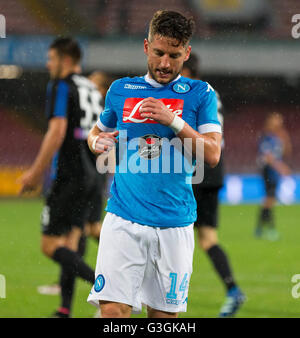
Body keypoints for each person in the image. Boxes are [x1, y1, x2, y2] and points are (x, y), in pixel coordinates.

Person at [86, 10, 222, 318]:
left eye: (174, 56)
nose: (164, 63)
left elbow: (212, 154)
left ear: (186, 52)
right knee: (112, 313)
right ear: (146, 47)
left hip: (174, 225)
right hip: (123, 219)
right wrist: (96, 142)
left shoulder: (201, 94)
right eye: (159, 53)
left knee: (162, 319)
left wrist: (173, 120)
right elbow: (97, 131)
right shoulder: (121, 90)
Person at [18, 37, 101, 318]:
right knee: (71, 244)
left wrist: (34, 172)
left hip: (70, 174)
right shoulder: (90, 87)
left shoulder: (62, 85)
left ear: (65, 60)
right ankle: (65, 309)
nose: (48, 63)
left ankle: (108, 288)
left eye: (51, 58)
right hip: (91, 175)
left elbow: (57, 131)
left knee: (50, 245)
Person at [181, 53, 246, 317]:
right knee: (208, 238)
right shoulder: (211, 92)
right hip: (215, 167)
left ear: (187, 70)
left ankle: (161, 294)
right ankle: (232, 289)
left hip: (196, 165)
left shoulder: (189, 91)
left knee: (171, 229)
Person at [255, 112, 292, 241]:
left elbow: (286, 151)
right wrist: (281, 167)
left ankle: (259, 229)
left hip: (274, 172)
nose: (279, 123)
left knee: (269, 200)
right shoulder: (266, 136)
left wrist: (285, 138)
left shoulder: (278, 137)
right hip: (269, 171)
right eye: (276, 120)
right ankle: (269, 229)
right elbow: (268, 156)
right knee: (269, 200)